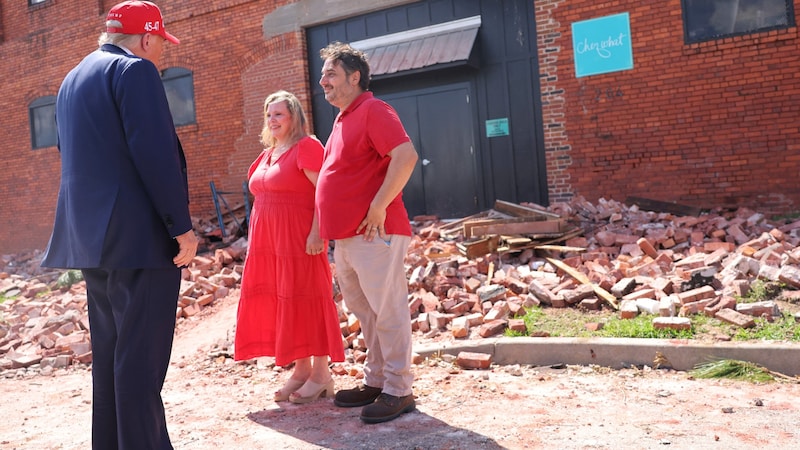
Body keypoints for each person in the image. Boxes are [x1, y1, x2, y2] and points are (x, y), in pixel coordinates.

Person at [40, 2, 198, 448]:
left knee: (112, 358)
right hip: (139, 240)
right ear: (146, 38)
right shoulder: (135, 72)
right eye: (159, 44)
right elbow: (154, 154)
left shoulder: (72, 79)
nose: (159, 54)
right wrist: (179, 226)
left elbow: (67, 152)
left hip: (91, 240)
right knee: (140, 364)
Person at [316, 42, 419, 424]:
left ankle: (399, 389)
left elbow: (405, 157)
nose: (322, 80)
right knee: (367, 312)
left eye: (331, 73)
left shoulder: (374, 109)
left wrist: (377, 206)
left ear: (355, 77)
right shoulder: (344, 118)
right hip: (348, 237)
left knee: (388, 310)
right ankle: (377, 380)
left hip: (375, 232)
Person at [234, 90, 345, 404]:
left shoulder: (307, 146)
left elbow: (323, 193)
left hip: (299, 240)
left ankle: (322, 374)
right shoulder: (268, 153)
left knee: (309, 298)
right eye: (269, 115)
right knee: (286, 301)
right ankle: (301, 370)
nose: (272, 120)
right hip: (269, 244)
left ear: (295, 116)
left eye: (279, 114)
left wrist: (317, 233)